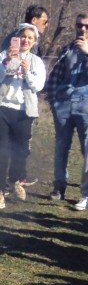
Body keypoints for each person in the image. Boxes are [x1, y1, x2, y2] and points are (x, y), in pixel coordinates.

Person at [0, 4, 49, 193]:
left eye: (30, 38)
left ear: (34, 42)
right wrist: (8, 61)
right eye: (44, 22)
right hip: (0, 106)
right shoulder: (8, 51)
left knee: (19, 150)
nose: (26, 40)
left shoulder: (36, 61)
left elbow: (38, 86)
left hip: (22, 110)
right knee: (0, 147)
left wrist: (27, 73)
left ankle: (15, 179)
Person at [46, 12, 88, 210]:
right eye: (80, 25)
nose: (83, 29)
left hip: (86, 104)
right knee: (61, 146)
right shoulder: (67, 49)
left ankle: (85, 194)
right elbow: (56, 75)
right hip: (64, 102)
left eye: (87, 26)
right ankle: (59, 186)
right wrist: (54, 101)